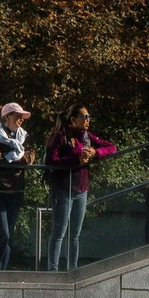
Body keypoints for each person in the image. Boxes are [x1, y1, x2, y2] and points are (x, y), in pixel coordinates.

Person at [44, 104, 116, 271]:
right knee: (59, 232)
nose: (88, 120)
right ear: (73, 120)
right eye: (84, 117)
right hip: (63, 189)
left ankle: (73, 269)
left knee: (74, 235)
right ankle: (52, 270)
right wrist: (76, 159)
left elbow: (112, 147)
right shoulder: (60, 136)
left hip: (81, 190)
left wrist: (95, 153)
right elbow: (51, 162)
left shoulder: (87, 137)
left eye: (89, 117)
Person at [0, 103, 34, 271]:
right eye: (18, 116)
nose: (20, 120)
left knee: (8, 235)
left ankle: (2, 272)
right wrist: (18, 158)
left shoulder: (24, 136)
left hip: (16, 191)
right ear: (7, 117)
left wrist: (12, 158)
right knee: (2, 232)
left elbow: (31, 156)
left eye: (22, 117)